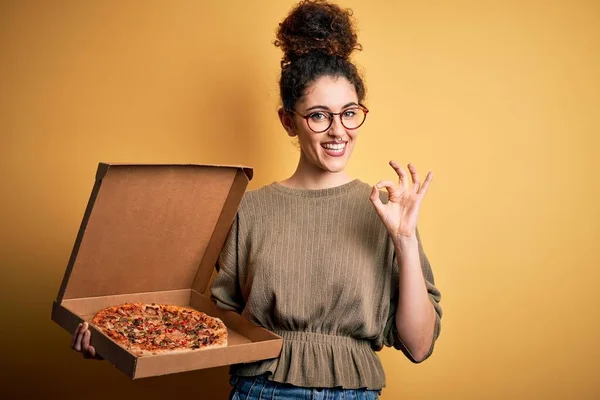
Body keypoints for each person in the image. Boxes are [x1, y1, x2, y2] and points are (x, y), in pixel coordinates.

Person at [72, 1, 442, 398]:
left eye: (349, 112)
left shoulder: (386, 212)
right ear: (288, 121)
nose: (339, 131)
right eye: (319, 115)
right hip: (261, 390)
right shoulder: (247, 210)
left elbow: (419, 346)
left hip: (355, 391)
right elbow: (211, 319)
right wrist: (117, 340)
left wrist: (404, 239)